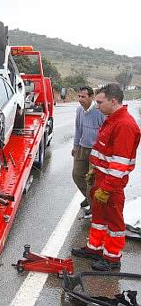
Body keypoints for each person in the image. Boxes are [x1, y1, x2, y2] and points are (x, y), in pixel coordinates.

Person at [71, 83, 140, 271]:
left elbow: (119, 164)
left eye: (100, 102)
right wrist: (96, 171)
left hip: (112, 183)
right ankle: (95, 248)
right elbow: (104, 152)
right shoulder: (110, 118)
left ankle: (112, 258)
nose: (97, 105)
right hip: (102, 177)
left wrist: (107, 188)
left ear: (114, 101)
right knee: (99, 217)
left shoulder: (124, 125)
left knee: (113, 222)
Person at [72, 86, 106, 216]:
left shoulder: (99, 112)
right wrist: (75, 146)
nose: (80, 99)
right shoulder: (79, 110)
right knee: (77, 175)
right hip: (82, 148)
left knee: (91, 180)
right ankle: (88, 197)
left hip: (96, 150)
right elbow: (78, 129)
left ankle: (94, 208)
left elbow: (105, 131)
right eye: (79, 96)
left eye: (83, 97)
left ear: (91, 97)